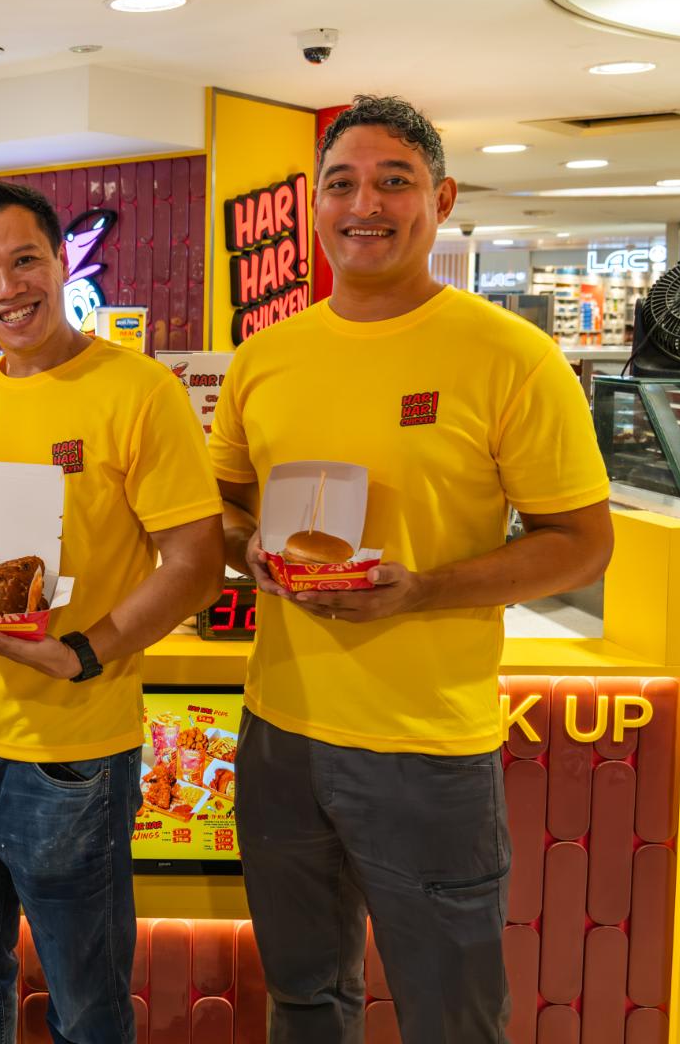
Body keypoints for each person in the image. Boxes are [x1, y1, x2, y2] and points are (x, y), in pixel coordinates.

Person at [209, 96, 614, 1043]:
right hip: (279, 733)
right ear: (315, 204)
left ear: (443, 199)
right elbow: (221, 508)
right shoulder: (266, 357)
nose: (366, 205)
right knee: (305, 998)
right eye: (342, 183)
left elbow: (580, 542)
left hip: (428, 747)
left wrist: (425, 589)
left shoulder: (512, 357)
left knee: (450, 1014)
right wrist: (248, 549)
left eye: (394, 181)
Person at [0, 180, 226, 1044]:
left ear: (61, 261)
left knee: (86, 998)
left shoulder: (138, 390)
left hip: (70, 750)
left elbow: (197, 562)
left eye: (24, 262)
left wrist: (84, 651)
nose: (6, 290)